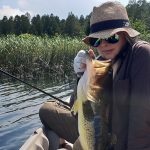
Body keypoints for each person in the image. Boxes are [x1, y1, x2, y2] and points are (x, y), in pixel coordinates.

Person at [39, 1, 150, 150]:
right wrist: (80, 77)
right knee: (46, 109)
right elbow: (78, 113)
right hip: (97, 133)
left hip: (122, 141)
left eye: (112, 37)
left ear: (126, 35)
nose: (103, 44)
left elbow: (140, 125)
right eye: (96, 40)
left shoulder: (141, 55)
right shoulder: (98, 63)